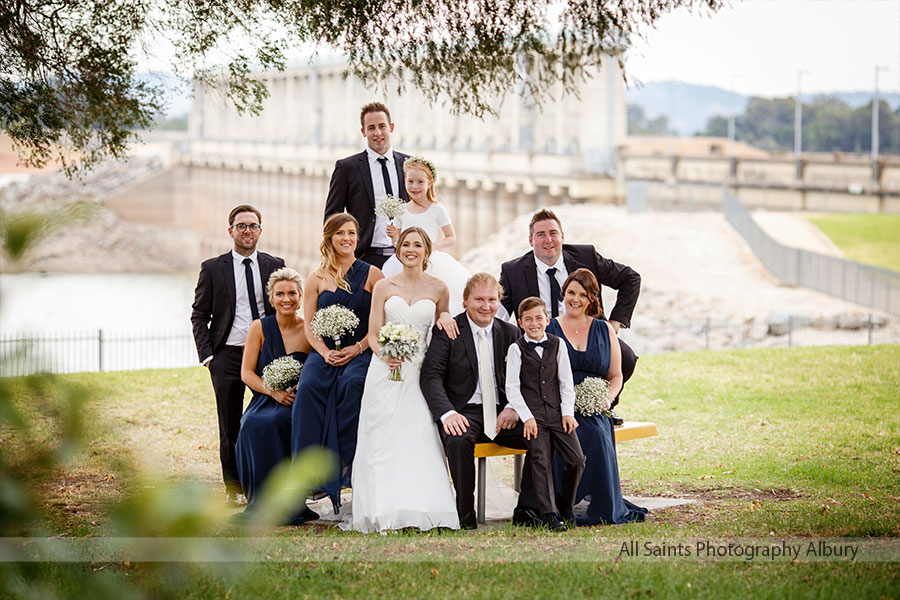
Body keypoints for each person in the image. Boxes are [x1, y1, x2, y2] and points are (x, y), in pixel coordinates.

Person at [345, 227, 460, 532]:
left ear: (426, 251)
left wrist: (446, 317)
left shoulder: (439, 288)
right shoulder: (384, 286)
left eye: (417, 245)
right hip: (386, 370)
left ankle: (422, 509)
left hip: (419, 372)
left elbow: (442, 325)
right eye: (405, 244)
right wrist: (385, 354)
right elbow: (371, 334)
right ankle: (381, 510)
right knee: (381, 437)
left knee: (418, 435)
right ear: (397, 250)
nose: (411, 249)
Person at [498, 208, 641, 426]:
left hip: (587, 332)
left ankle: (602, 405)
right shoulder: (513, 271)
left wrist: (613, 325)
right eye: (541, 234)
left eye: (553, 233)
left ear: (562, 237)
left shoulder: (586, 256)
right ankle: (542, 408)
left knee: (626, 357)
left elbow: (630, 279)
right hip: (542, 339)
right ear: (530, 241)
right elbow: (499, 314)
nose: (548, 240)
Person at [420, 273, 537, 530]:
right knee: (458, 438)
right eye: (479, 300)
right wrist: (447, 413)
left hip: (503, 412)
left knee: (541, 437)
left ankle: (529, 508)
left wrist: (513, 409)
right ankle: (464, 514)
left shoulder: (511, 333)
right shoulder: (449, 331)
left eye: (492, 300)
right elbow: (431, 377)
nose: (486, 306)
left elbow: (527, 378)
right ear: (465, 301)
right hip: (464, 410)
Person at [191, 204, 285, 506]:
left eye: (253, 226)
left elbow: (283, 308)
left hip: (267, 355)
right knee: (229, 425)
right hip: (227, 357)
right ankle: (234, 488)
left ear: (260, 230)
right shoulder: (213, 268)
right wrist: (208, 357)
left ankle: (270, 483)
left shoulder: (275, 265)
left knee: (271, 418)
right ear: (230, 230)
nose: (247, 231)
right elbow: (199, 315)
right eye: (241, 226)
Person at [291, 213, 383, 516]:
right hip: (324, 352)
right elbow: (309, 325)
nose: (347, 238)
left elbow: (380, 324)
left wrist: (357, 348)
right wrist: (323, 351)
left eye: (352, 233)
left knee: (352, 385)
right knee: (309, 388)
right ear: (329, 238)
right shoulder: (316, 277)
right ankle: (307, 477)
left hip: (361, 351)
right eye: (340, 233)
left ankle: (342, 472)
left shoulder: (373, 275)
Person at [546, 269, 648, 526]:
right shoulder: (550, 328)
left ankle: (601, 504)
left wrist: (606, 399)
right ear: (563, 294)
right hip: (560, 405)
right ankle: (564, 504)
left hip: (594, 405)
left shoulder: (604, 330)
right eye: (571, 292)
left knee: (598, 433)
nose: (575, 299)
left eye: (583, 294)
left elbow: (616, 376)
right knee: (572, 433)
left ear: (592, 299)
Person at [234, 268, 311, 519]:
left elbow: (317, 369)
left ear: (301, 296)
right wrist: (273, 392)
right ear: (271, 298)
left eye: (292, 293)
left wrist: (298, 391)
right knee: (250, 424)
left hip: (298, 401)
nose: (286, 299)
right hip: (266, 398)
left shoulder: (309, 330)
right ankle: (260, 501)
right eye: (280, 294)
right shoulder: (259, 327)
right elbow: (246, 373)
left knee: (281, 421)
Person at [505, 297, 585, 531]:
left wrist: (568, 413)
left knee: (577, 460)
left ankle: (566, 505)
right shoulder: (516, 349)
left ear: (547, 320)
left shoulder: (558, 344)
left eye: (539, 318)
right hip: (533, 417)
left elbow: (566, 383)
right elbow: (512, 388)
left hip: (558, 414)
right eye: (528, 319)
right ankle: (548, 514)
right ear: (521, 322)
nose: (534, 323)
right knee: (540, 460)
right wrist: (526, 417)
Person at [323, 102, 409, 269]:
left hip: (405, 257)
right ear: (363, 132)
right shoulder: (347, 168)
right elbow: (332, 218)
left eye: (382, 126)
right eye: (371, 128)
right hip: (363, 258)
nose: (377, 133)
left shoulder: (408, 164)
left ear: (391, 127)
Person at [381, 156, 470, 314]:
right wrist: (395, 237)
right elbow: (399, 243)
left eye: (420, 182)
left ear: (429, 183)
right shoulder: (402, 209)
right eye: (410, 181)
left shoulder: (437, 209)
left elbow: (451, 238)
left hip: (430, 261)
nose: (415, 186)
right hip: (404, 261)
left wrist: (432, 246)